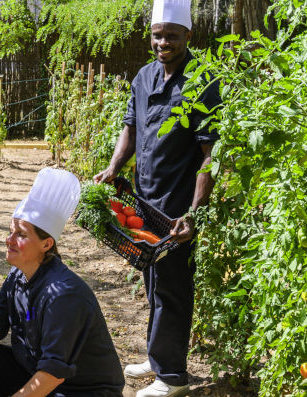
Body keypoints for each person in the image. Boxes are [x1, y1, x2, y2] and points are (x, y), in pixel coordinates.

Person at [92, 0, 221, 396]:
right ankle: (157, 355)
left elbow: (210, 153)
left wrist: (194, 214)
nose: (162, 42)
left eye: (171, 35)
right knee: (152, 280)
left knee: (173, 287)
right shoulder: (144, 77)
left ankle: (171, 378)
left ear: (188, 36)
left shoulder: (203, 81)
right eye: (157, 34)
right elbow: (130, 128)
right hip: (143, 201)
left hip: (176, 208)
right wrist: (114, 167)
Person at [0, 168, 125, 397]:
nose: (9, 240)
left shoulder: (63, 294)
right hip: (39, 374)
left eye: (21, 235)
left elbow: (53, 373)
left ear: (47, 244)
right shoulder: (17, 277)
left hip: (81, 391)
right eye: (10, 231)